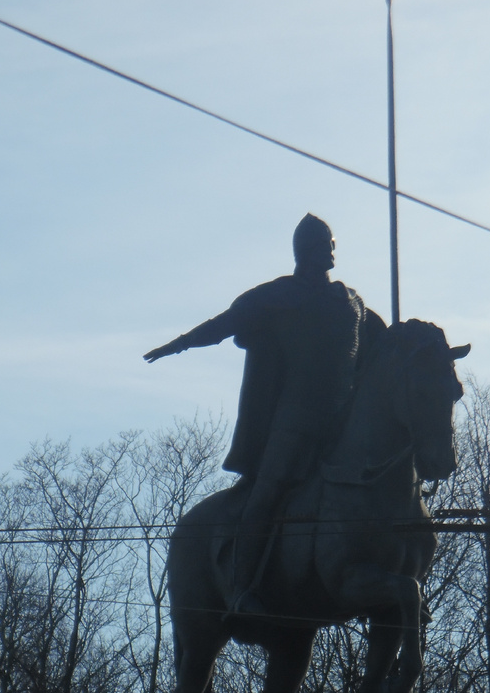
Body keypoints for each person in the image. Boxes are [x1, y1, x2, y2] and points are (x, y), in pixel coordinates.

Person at [144, 214, 379, 619]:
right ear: (306, 250)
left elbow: (386, 345)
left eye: (333, 242)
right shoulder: (277, 296)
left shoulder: (352, 303)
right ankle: (241, 587)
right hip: (295, 419)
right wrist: (180, 344)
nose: (332, 250)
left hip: (344, 423)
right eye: (324, 243)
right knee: (267, 493)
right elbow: (222, 325)